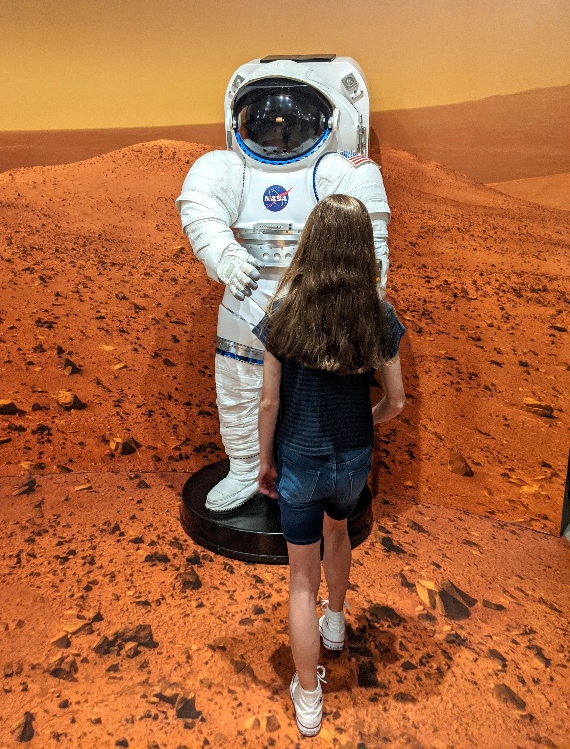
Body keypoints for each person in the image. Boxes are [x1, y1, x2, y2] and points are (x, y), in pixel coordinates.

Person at [176, 55, 392, 513]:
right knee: (236, 388)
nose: (279, 132)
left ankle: (308, 472)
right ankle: (244, 469)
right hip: (245, 295)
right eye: (264, 121)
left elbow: (368, 246)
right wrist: (225, 256)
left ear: (327, 119)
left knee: (313, 398)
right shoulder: (227, 168)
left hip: (318, 304)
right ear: (241, 122)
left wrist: (363, 305)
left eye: (292, 121)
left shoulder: (342, 169)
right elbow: (199, 210)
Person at [256, 194, 406, 737]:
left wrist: (264, 461)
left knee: (300, 578)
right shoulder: (378, 312)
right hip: (352, 462)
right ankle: (336, 626)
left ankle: (309, 698)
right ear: (361, 245)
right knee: (338, 532)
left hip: (299, 459)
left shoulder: (284, 308)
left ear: (312, 240)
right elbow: (396, 403)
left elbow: (269, 401)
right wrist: (362, 420)